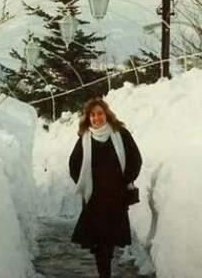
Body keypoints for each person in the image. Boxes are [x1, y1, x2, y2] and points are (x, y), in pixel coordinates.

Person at [69, 97, 143, 278]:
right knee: (99, 241)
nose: (96, 118)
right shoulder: (85, 138)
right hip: (94, 198)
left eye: (99, 113)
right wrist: (85, 183)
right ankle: (104, 273)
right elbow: (74, 164)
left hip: (116, 196)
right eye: (92, 115)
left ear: (106, 114)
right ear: (88, 118)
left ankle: (105, 269)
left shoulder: (120, 134)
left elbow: (135, 159)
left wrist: (126, 180)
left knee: (109, 238)